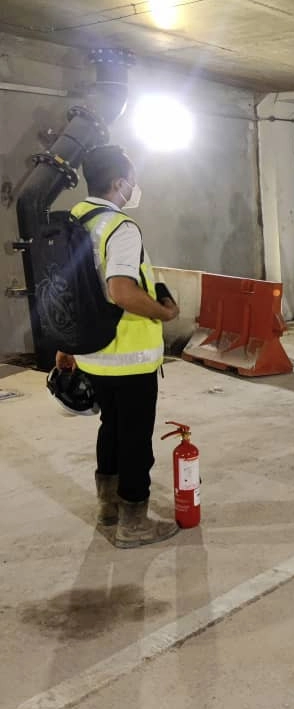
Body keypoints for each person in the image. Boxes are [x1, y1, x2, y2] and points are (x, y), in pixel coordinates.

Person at [55, 145, 181, 548]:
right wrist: (162, 315)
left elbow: (69, 289)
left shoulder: (73, 222)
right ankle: (134, 524)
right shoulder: (119, 228)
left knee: (111, 429)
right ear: (117, 183)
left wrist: (66, 343)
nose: (134, 187)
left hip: (92, 352)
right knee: (135, 440)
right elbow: (121, 291)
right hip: (129, 358)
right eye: (131, 179)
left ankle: (108, 509)